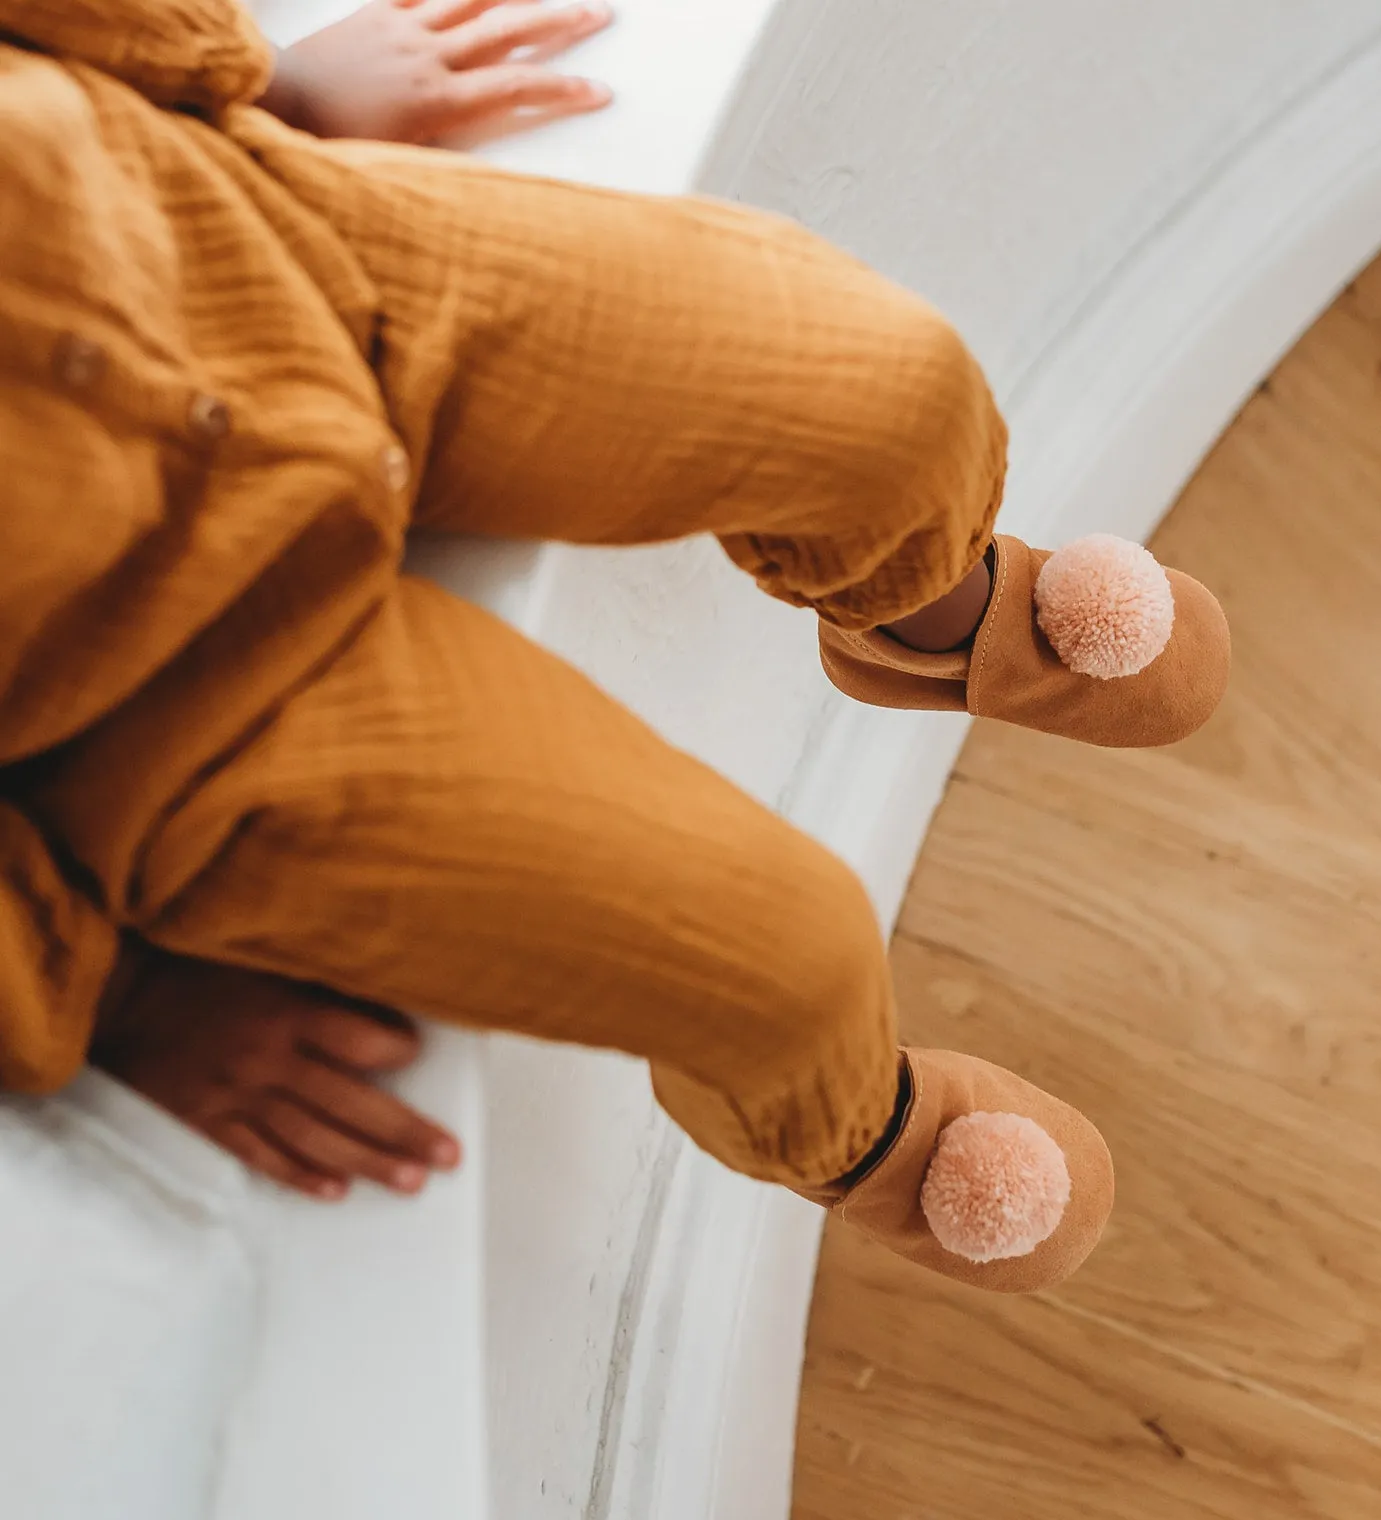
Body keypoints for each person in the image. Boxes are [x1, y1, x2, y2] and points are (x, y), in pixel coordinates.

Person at [0, 0, 1227, 1291]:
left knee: (896, 394)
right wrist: (105, 1002)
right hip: (165, 694)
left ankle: (932, 621)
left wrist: (251, 71)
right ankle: (856, 1135)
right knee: (785, 960)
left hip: (255, 249)